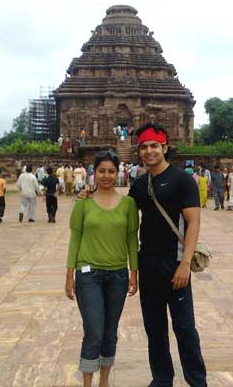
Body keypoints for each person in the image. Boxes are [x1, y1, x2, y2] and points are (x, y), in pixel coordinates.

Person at [127, 123, 207, 387]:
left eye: (154, 146)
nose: (149, 151)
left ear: (165, 147)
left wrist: (185, 263)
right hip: (148, 262)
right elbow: (124, 218)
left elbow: (193, 223)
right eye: (144, 147)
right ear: (139, 150)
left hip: (175, 264)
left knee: (184, 328)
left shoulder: (182, 180)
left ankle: (197, 381)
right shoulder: (139, 185)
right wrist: (90, 198)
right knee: (155, 328)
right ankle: (162, 379)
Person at [65, 151, 139, 387]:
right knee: (94, 330)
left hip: (117, 274)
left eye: (111, 171)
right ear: (93, 173)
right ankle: (87, 383)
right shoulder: (83, 202)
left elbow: (131, 240)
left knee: (110, 331)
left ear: (118, 173)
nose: (106, 176)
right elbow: (75, 238)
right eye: (101, 171)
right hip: (88, 275)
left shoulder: (128, 204)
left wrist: (133, 272)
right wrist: (69, 275)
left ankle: (104, 382)